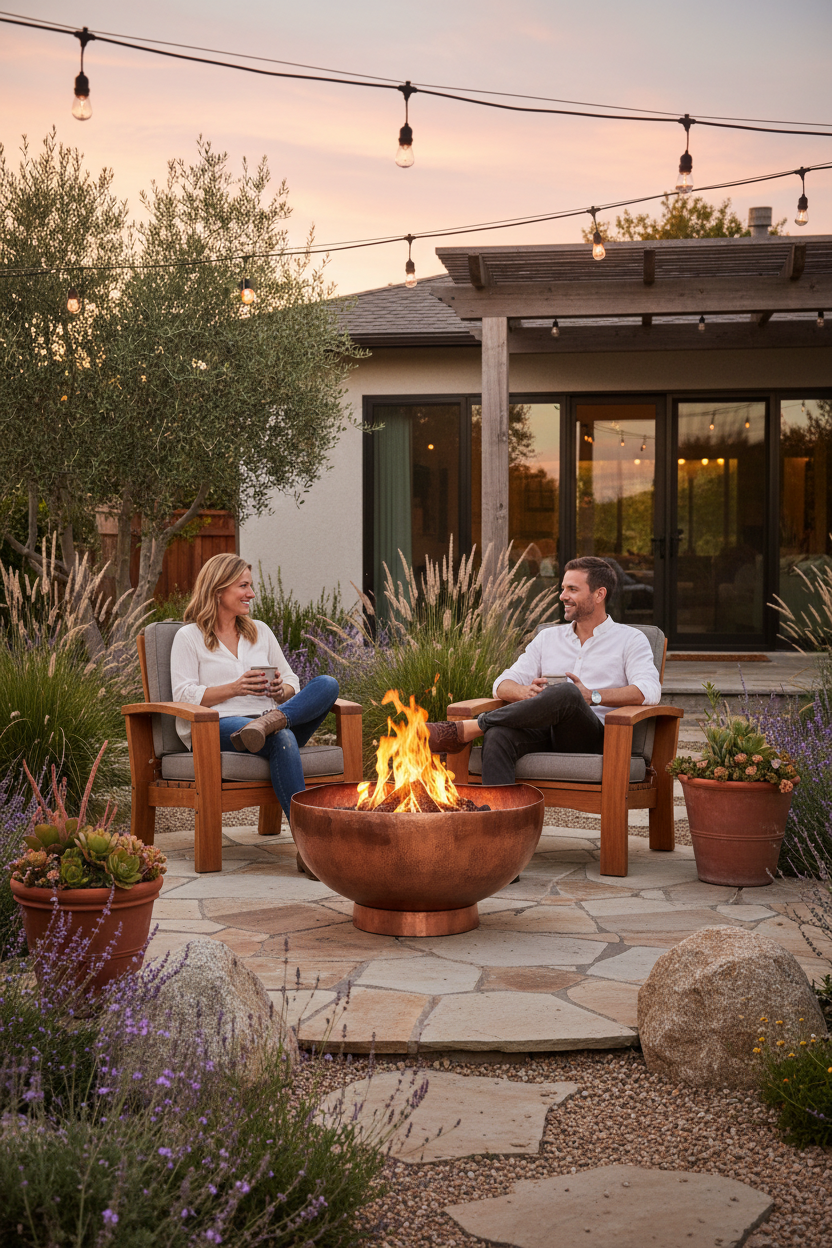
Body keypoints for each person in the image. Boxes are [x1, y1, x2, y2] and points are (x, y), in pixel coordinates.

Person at [425, 556, 661, 784]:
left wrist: (593, 696)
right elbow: (502, 683)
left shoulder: (630, 639)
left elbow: (649, 690)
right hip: (543, 731)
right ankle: (503, 820)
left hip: (595, 737)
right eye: (563, 588)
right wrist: (525, 694)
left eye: (572, 589)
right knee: (497, 736)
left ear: (599, 594)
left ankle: (473, 727)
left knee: (568, 694)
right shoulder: (548, 637)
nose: (562, 596)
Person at [169, 553, 339, 823]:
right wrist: (235, 688)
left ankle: (273, 722)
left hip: (266, 720)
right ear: (218, 590)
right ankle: (307, 836)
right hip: (215, 725)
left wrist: (280, 691)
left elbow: (292, 680)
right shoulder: (189, 637)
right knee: (282, 738)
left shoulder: (259, 631)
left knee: (327, 684)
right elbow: (184, 696)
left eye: (250, 585)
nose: (252, 593)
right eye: (243, 586)